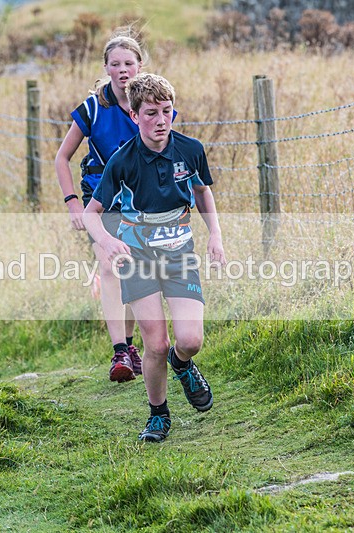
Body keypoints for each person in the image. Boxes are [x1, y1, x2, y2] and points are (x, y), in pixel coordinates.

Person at [83, 73, 225, 442]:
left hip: (180, 256)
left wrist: (216, 236)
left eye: (166, 112)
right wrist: (106, 242)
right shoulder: (122, 160)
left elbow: (202, 191)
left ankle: (183, 364)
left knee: (190, 340)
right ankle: (158, 415)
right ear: (134, 115)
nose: (160, 121)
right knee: (156, 344)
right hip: (138, 259)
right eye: (150, 113)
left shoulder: (190, 149)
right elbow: (91, 213)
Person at [55, 33, 147, 383]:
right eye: (116, 64)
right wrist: (72, 204)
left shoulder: (151, 102)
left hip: (141, 204)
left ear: (139, 66)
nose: (123, 70)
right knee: (110, 266)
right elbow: (62, 158)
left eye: (129, 63)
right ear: (105, 68)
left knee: (133, 273)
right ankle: (119, 352)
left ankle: (132, 346)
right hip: (101, 202)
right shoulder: (93, 108)